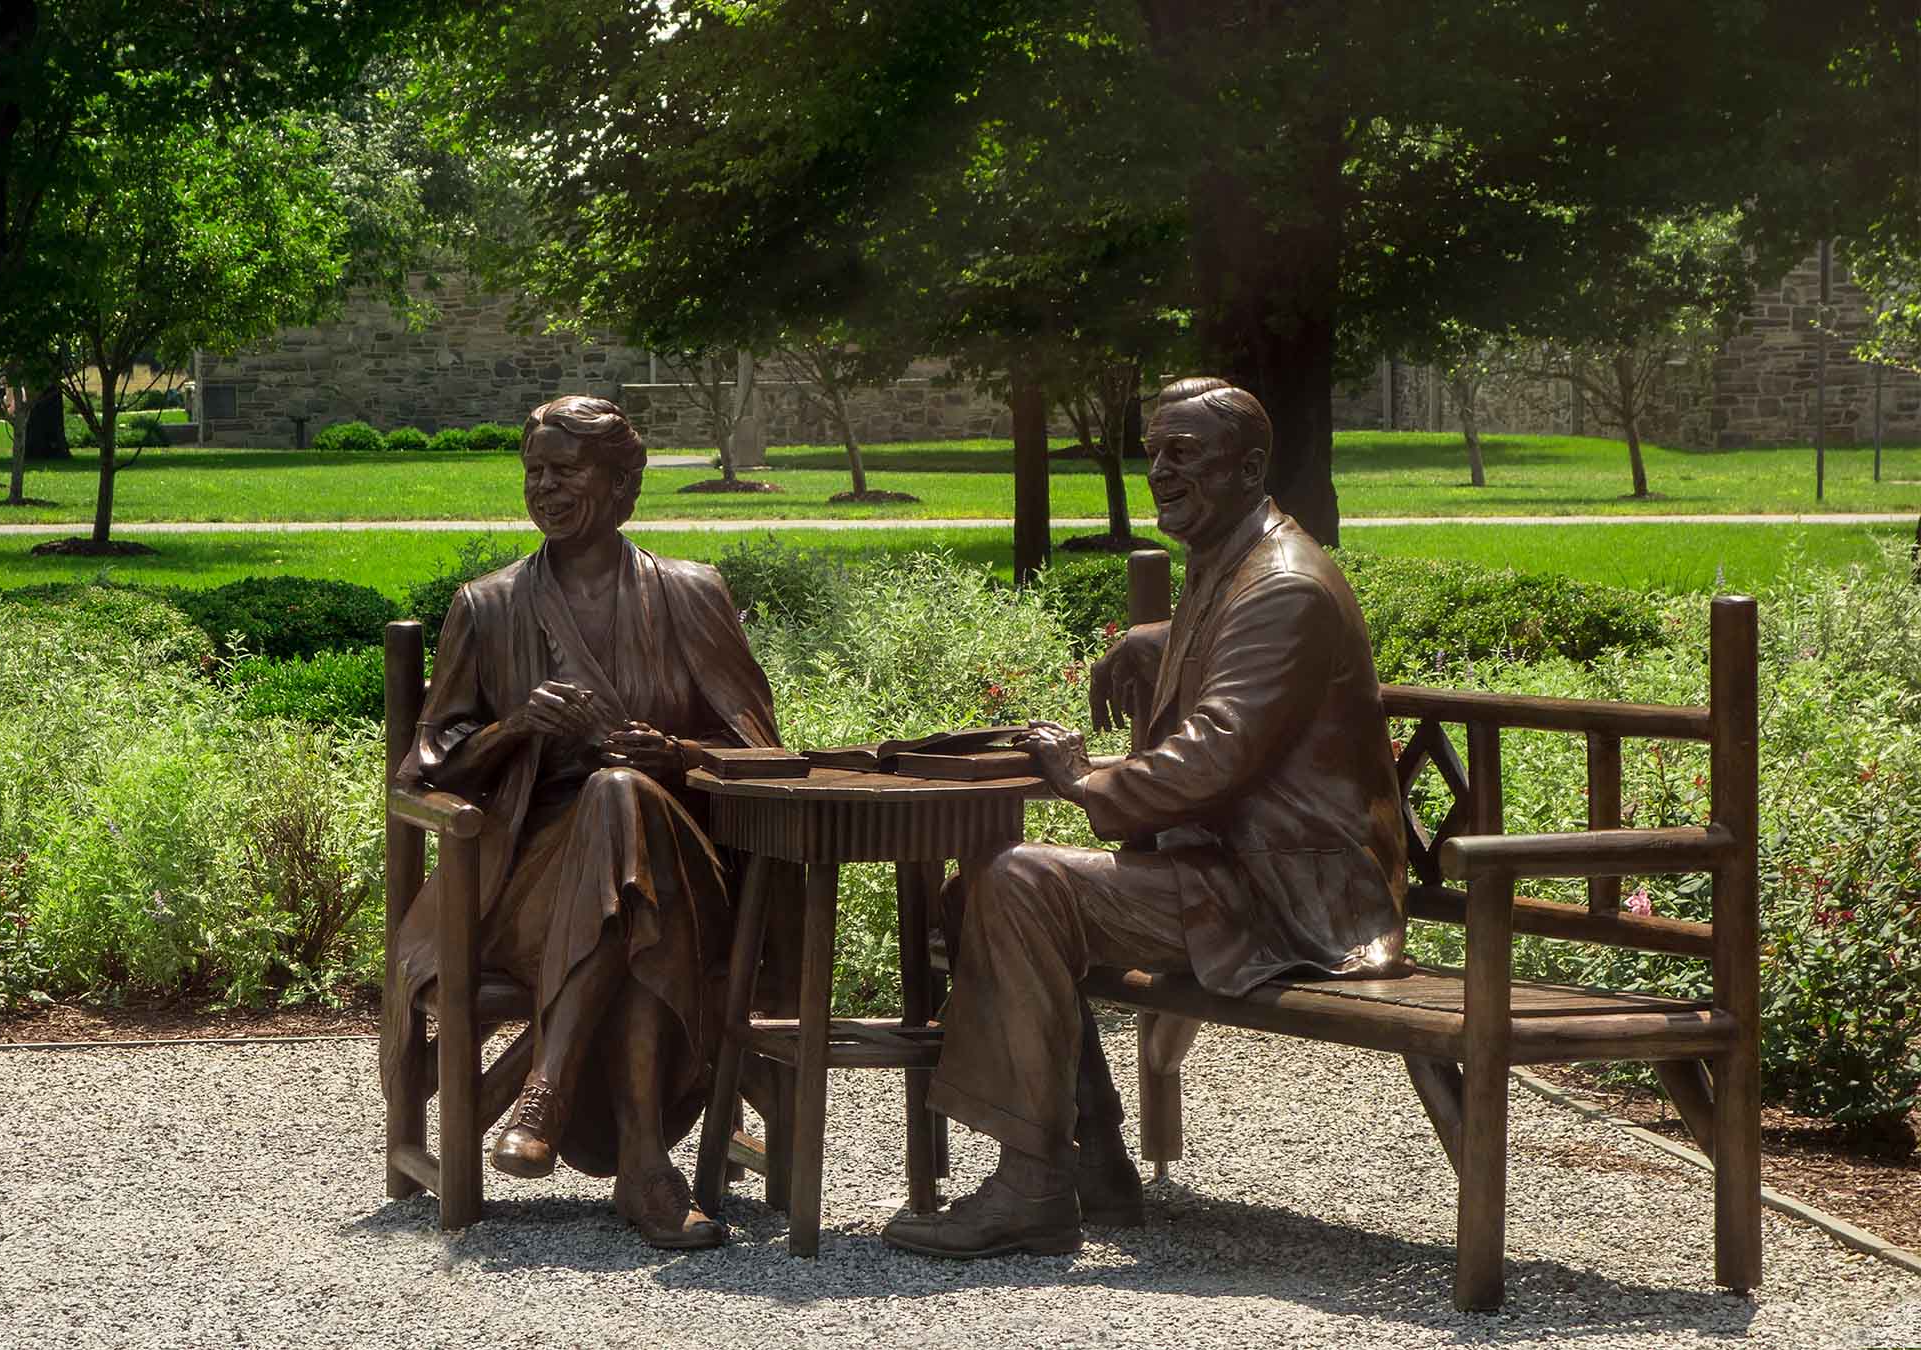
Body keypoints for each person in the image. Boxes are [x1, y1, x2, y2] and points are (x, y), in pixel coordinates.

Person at [882, 377, 1408, 1259]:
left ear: (1247, 468)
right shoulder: (1233, 562)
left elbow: (1213, 758)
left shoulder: (1283, 585)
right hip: (1236, 868)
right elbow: (1230, 662)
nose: (1159, 470)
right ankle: (1091, 1160)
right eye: (1154, 451)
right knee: (986, 876)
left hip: (1296, 896)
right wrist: (1158, 639)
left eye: (1184, 455)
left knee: (1019, 879)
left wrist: (1083, 779)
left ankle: (1032, 1187)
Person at [385, 395, 778, 1250]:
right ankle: (644, 1165)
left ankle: (546, 1091)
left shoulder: (690, 595)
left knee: (624, 799)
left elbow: (760, 750)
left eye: (566, 470)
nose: (544, 487)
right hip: (529, 884)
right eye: (534, 470)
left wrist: (672, 752)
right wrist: (515, 726)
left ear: (624, 484)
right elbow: (425, 765)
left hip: (684, 866)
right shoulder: (487, 608)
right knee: (615, 824)